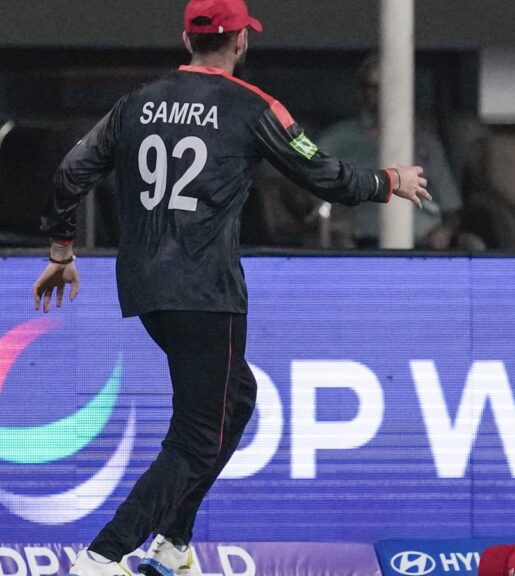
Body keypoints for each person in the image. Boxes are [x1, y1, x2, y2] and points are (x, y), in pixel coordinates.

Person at [30, 1, 430, 574]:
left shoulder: (136, 103)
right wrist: (387, 180)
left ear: (185, 39)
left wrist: (61, 251)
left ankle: (173, 542)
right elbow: (323, 175)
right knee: (196, 436)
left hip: (144, 287)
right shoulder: (253, 106)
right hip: (205, 290)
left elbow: (71, 172)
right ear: (241, 41)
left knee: (236, 398)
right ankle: (103, 555)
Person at [317, 53, 463, 249]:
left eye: (390, 85)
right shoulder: (336, 139)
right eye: (374, 87)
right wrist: (334, 222)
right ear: (361, 92)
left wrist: (445, 232)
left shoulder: (426, 142)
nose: (383, 94)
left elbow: (452, 208)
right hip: (361, 243)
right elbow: (307, 188)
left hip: (422, 244)